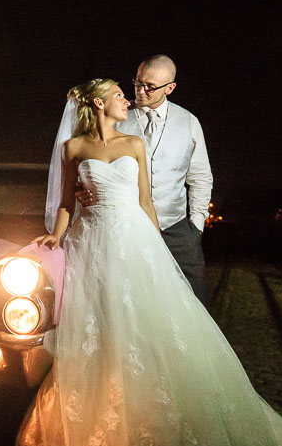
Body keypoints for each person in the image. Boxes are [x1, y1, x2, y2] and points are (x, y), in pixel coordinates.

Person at [19, 78, 282, 446]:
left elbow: (145, 201)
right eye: (118, 94)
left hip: (133, 242)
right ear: (98, 103)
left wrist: (159, 250)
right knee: (99, 331)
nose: (126, 99)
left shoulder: (134, 145)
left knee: (148, 329)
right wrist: (56, 236)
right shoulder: (73, 148)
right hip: (90, 244)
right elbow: (65, 203)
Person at [77, 55, 212, 305]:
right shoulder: (116, 120)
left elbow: (201, 177)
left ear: (170, 88)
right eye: (137, 82)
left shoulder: (189, 122)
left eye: (149, 86)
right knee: (134, 302)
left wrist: (196, 225)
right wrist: (82, 190)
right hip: (126, 229)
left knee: (194, 301)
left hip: (177, 230)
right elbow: (88, 163)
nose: (140, 90)